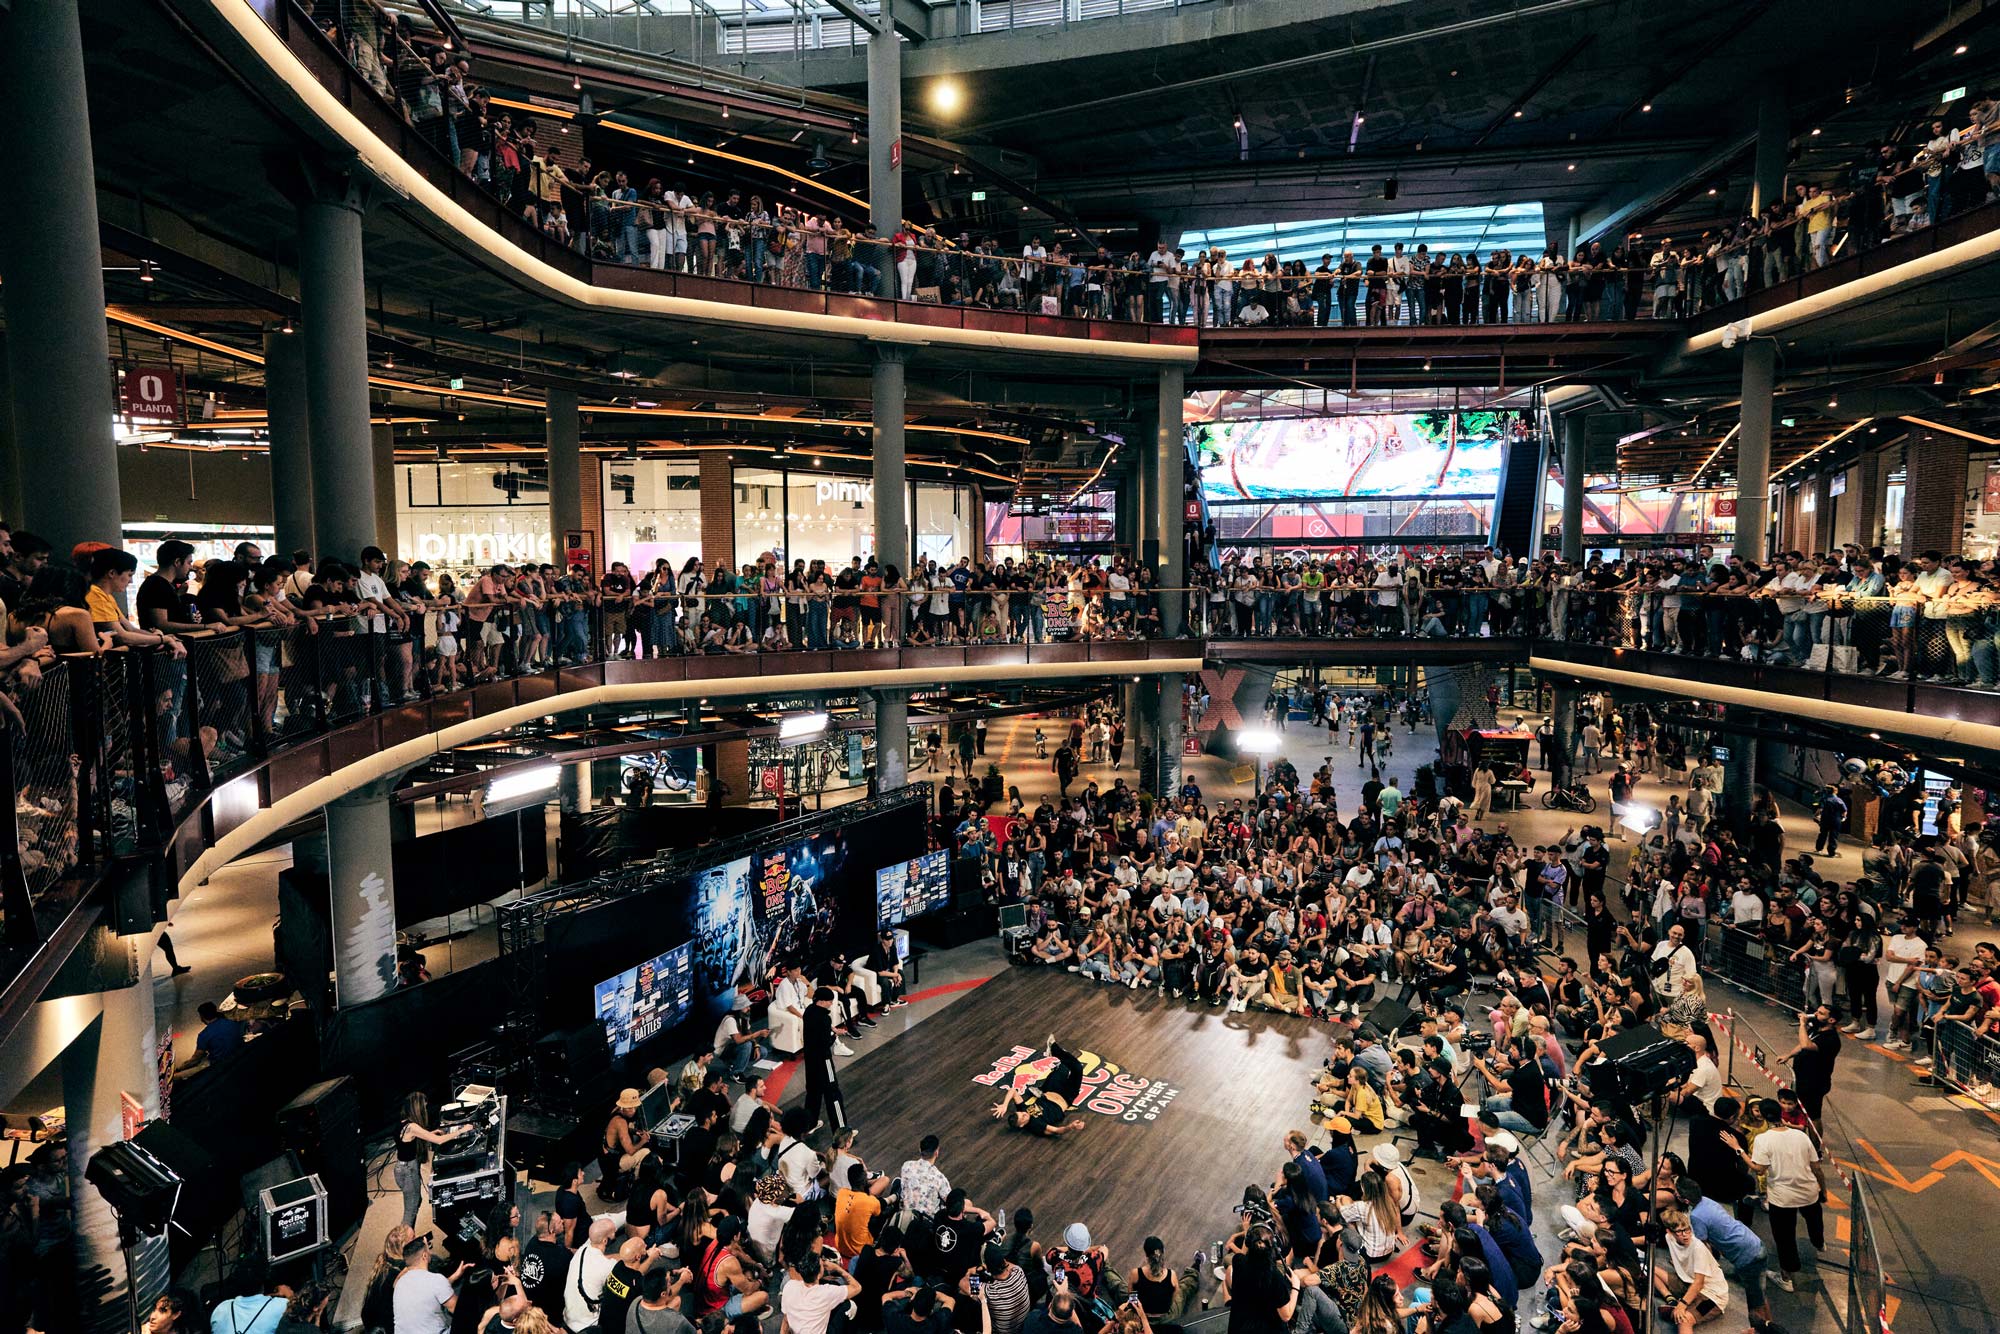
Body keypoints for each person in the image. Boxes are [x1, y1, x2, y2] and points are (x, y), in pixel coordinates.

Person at [394, 1091, 473, 1229]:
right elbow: (439, 1140)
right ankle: (404, 1240)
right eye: (424, 1107)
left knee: (416, 1201)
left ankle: (408, 1236)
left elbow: (409, 1140)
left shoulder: (404, 1123)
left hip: (403, 1168)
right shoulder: (412, 1127)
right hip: (408, 1171)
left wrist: (430, 1133)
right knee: (410, 1211)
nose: (425, 1110)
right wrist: (461, 1130)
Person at [991, 1038, 1088, 1136]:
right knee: (1077, 1068)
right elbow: (1056, 1130)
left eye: (1021, 1113)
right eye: (1023, 1117)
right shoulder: (1036, 1125)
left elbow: (1013, 1091)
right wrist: (1071, 1127)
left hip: (1051, 1089)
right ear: (1021, 1125)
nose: (1025, 1114)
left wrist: (1005, 1105)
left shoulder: (1023, 1110)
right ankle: (1054, 1050)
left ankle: (1053, 1053)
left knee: (1064, 1067)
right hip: (1067, 1096)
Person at [395, 1235, 470, 1334]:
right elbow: (461, 1311)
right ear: (424, 1256)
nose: (430, 1252)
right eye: (428, 1248)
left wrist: (455, 1276)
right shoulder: (436, 1280)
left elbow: (430, 1290)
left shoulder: (400, 1283)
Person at [1782, 1004, 1842, 1125]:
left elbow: (1806, 1045)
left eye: (1821, 1013)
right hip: (1801, 1078)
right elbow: (1802, 1044)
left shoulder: (1831, 1039)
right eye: (1817, 1011)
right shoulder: (1817, 1028)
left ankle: (1815, 1138)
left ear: (1831, 1020)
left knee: (1813, 1116)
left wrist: (1802, 1025)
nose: (1815, 1014)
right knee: (1799, 1111)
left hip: (1814, 1083)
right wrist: (1789, 1055)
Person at [802, 986, 848, 1130]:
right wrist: (835, 1034)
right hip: (824, 1060)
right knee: (833, 1093)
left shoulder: (809, 1011)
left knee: (813, 1091)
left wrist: (830, 1030)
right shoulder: (824, 1018)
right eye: (829, 1001)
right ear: (822, 1001)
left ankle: (809, 1124)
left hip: (810, 1059)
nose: (831, 1003)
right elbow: (825, 1042)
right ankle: (841, 1130)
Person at [212, 1277, 296, 1334]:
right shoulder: (281, 1306)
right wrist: (289, 1294)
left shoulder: (221, 1309)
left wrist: (273, 1295)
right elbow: (298, 1310)